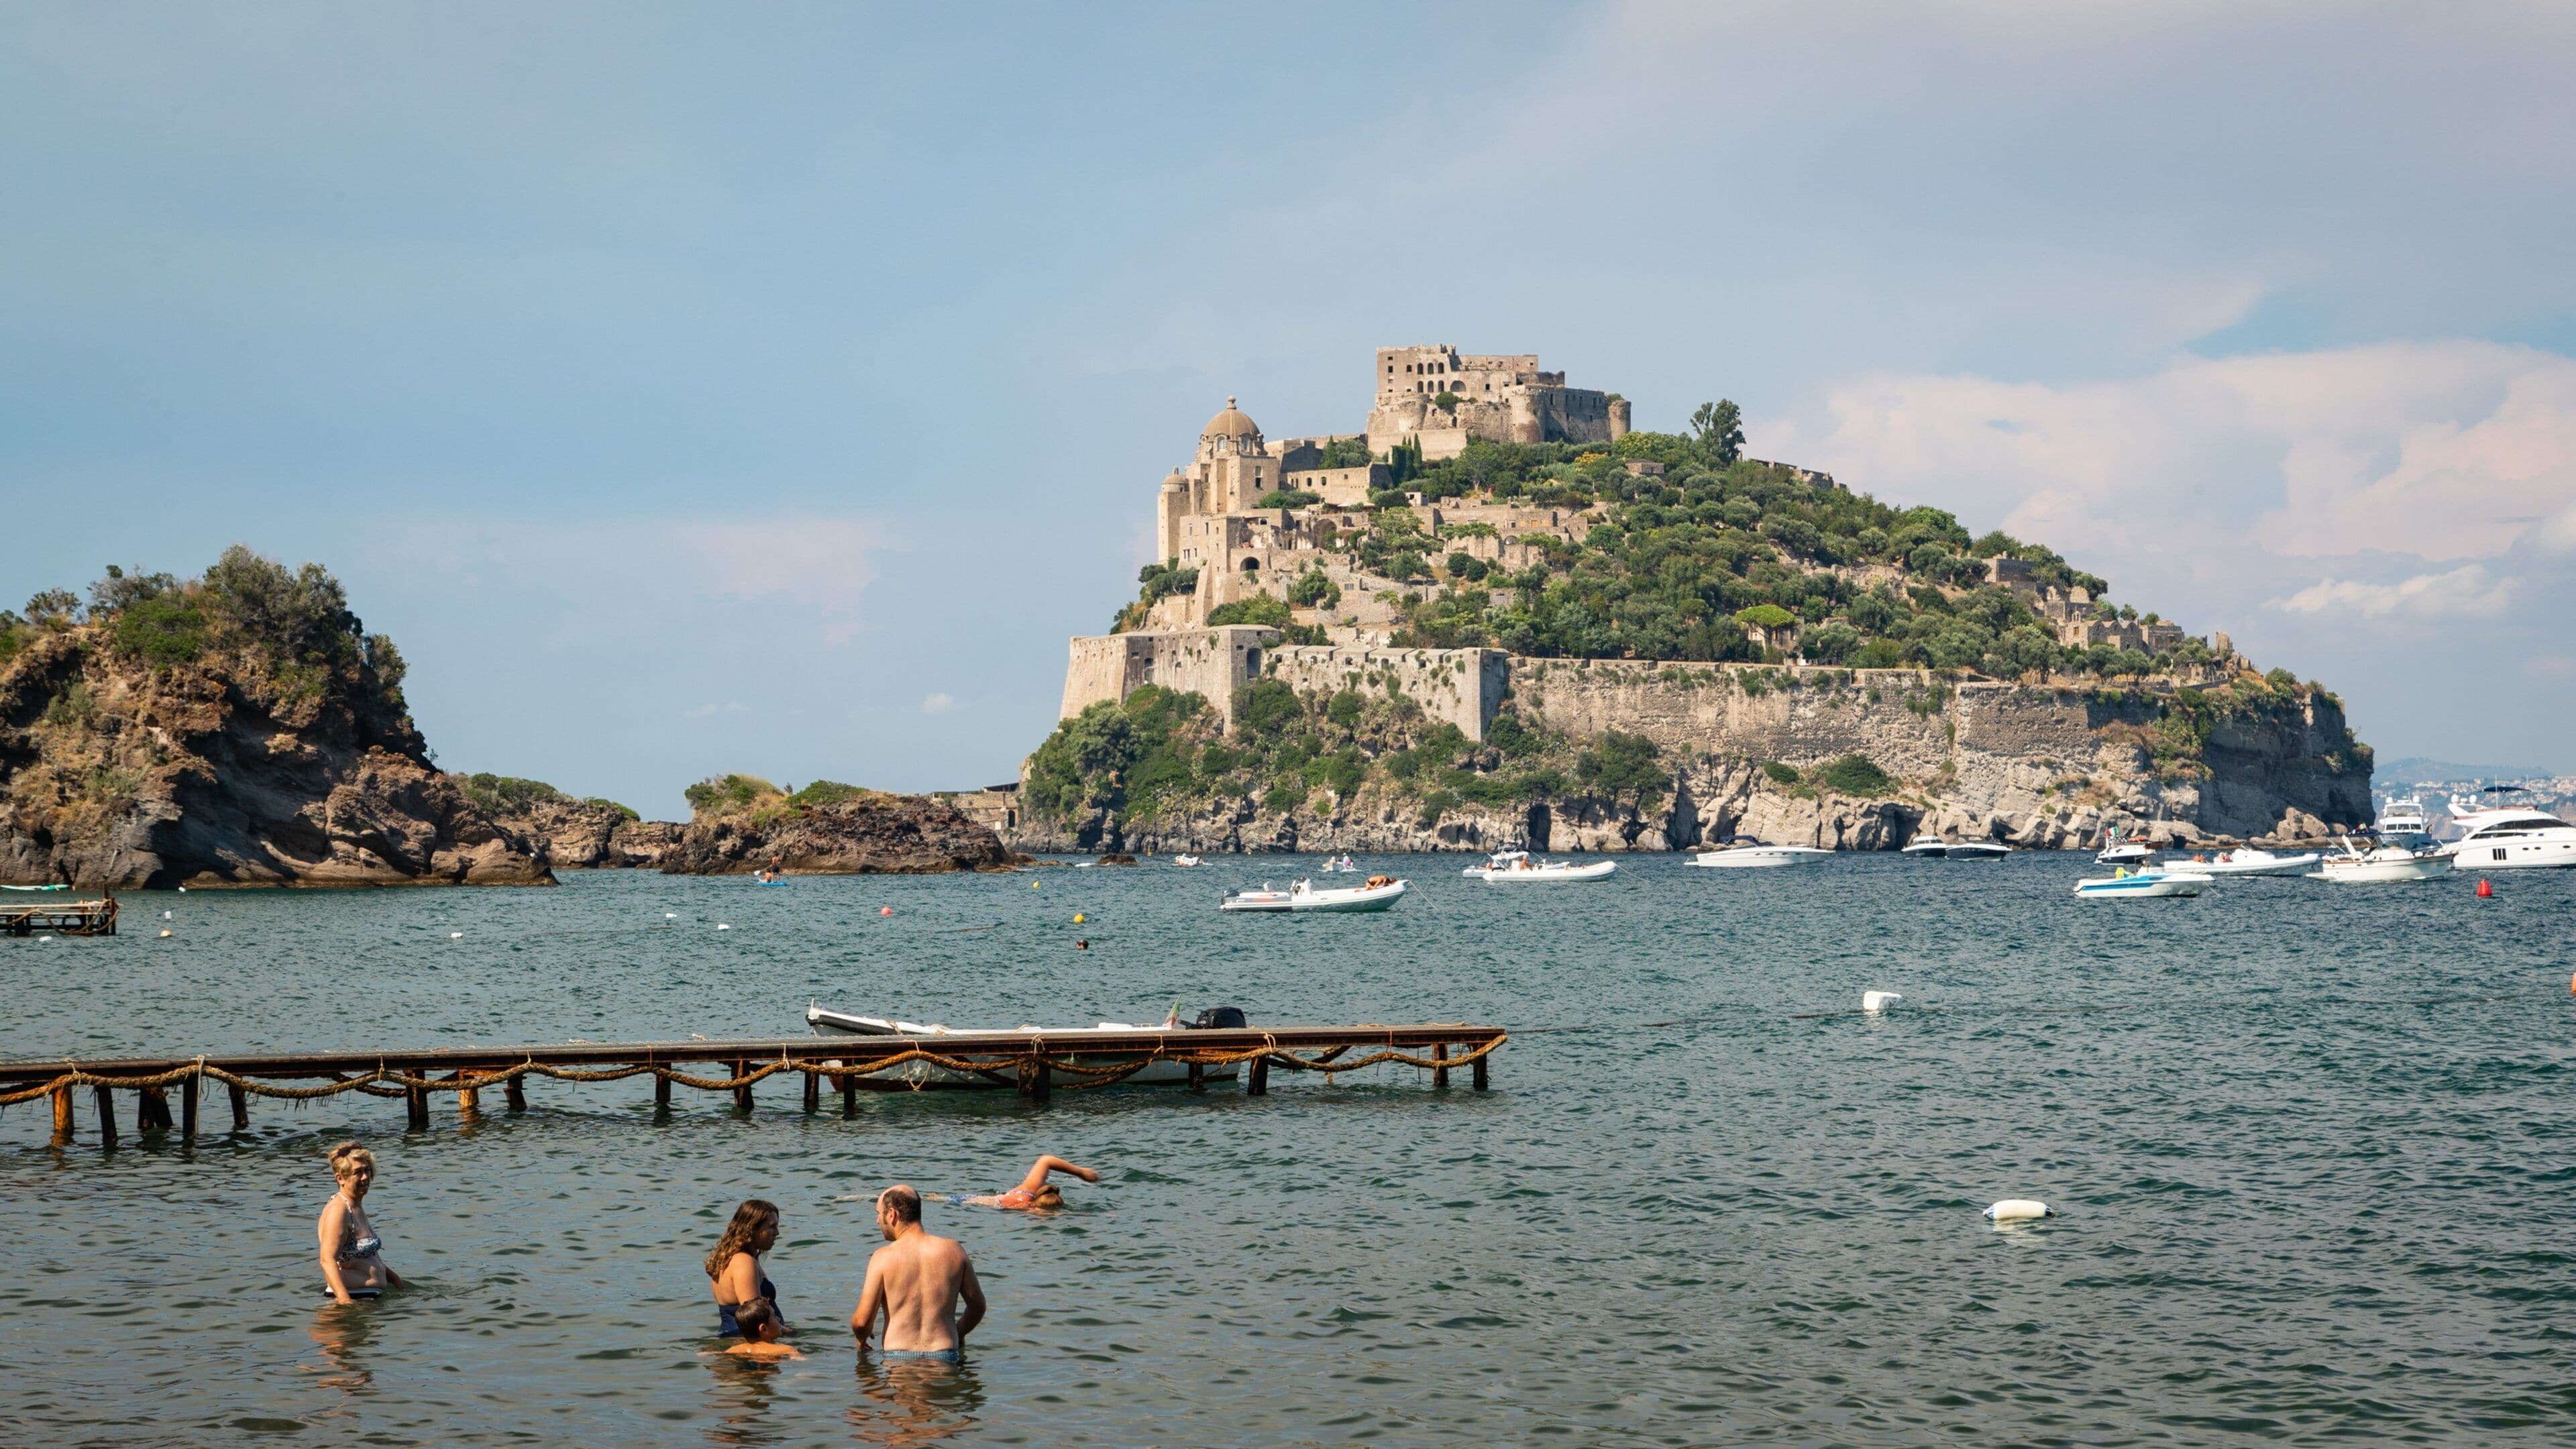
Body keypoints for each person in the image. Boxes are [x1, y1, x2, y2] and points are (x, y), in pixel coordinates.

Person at [851, 1185, 984, 1361]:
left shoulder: (882, 1257)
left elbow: (862, 1322)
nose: (877, 1220)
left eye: (878, 1213)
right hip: (944, 1356)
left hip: (898, 1357)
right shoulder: (954, 1251)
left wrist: (861, 1339)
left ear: (892, 1214)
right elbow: (978, 1307)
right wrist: (959, 1332)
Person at [317, 1142, 405, 1303]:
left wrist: (396, 1281)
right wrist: (345, 1302)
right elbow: (327, 1259)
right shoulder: (339, 1209)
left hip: (368, 1300)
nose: (365, 1177)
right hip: (350, 1301)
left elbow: (366, 1258)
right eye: (358, 1172)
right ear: (341, 1178)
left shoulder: (355, 1205)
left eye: (367, 1170)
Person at [706, 1198, 791, 1338]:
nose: (777, 1232)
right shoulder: (743, 1262)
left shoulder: (731, 1259)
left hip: (737, 1338)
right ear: (752, 1228)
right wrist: (791, 1334)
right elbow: (755, 1319)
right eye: (772, 1227)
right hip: (746, 1343)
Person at [963, 1155, 1099, 1212]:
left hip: (973, 1199)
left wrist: (1080, 1172)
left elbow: (1046, 1160)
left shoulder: (1031, 1188)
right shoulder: (1029, 1210)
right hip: (976, 1203)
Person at [712, 1297, 803, 1360]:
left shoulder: (735, 1350)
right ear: (764, 1329)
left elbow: (712, 1355)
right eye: (774, 1316)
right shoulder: (786, 1349)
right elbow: (802, 1365)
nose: (778, 1319)